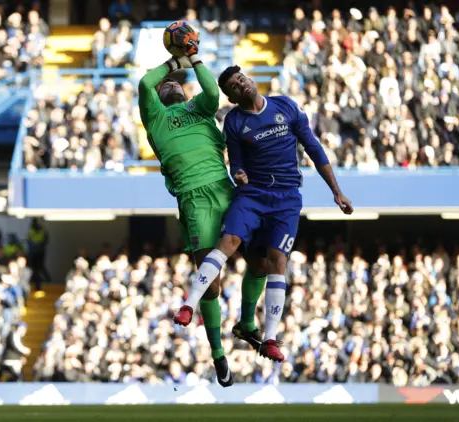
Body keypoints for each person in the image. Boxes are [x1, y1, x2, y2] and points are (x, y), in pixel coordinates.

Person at [174, 65, 353, 362]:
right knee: (228, 242)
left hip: (286, 199)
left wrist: (336, 190)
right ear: (231, 97)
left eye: (241, 78)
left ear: (250, 79)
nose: (240, 84)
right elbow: (236, 163)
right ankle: (188, 305)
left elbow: (314, 148)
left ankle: (269, 337)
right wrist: (240, 174)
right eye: (233, 86)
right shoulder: (234, 121)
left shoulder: (285, 106)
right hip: (253, 195)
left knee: (275, 262)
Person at [138, 33, 267, 387]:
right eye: (166, 86)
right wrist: (175, 62)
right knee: (210, 286)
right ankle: (218, 354)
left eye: (176, 85)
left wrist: (194, 59)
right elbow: (145, 82)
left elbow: (212, 92)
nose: (171, 87)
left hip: (225, 189)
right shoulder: (156, 119)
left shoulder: (199, 107)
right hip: (194, 199)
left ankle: (247, 323)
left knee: (262, 260)